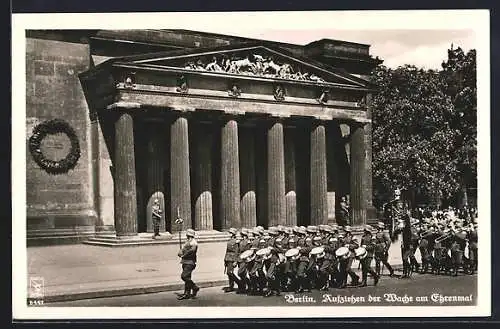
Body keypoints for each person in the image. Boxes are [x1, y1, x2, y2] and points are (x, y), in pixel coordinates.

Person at [177, 229, 200, 300]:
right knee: (188, 278)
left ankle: (195, 287)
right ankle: (186, 293)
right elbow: (184, 249)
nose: (186, 235)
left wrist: (184, 255)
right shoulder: (187, 241)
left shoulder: (194, 242)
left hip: (190, 262)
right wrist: (180, 252)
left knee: (184, 276)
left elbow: (192, 251)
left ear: (189, 235)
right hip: (185, 261)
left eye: (187, 234)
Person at [223, 228, 240, 292]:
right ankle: (231, 286)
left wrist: (235, 261)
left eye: (230, 233)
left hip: (232, 258)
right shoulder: (229, 241)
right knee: (229, 273)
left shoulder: (236, 241)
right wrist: (225, 260)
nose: (229, 234)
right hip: (228, 258)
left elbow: (236, 252)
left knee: (230, 272)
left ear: (233, 234)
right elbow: (227, 251)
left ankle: (239, 283)